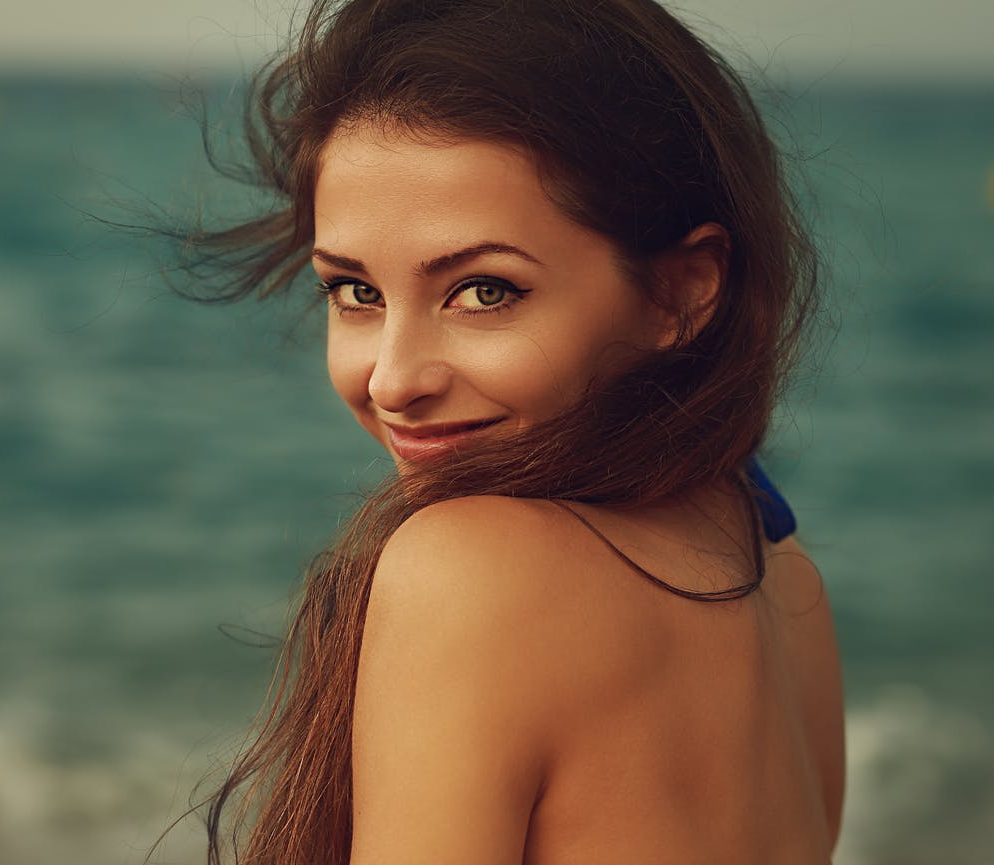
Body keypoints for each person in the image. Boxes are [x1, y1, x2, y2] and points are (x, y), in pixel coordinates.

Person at [165, 0, 845, 862]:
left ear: (677, 291)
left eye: (483, 291)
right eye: (355, 292)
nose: (392, 380)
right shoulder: (780, 571)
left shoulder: (471, 568)